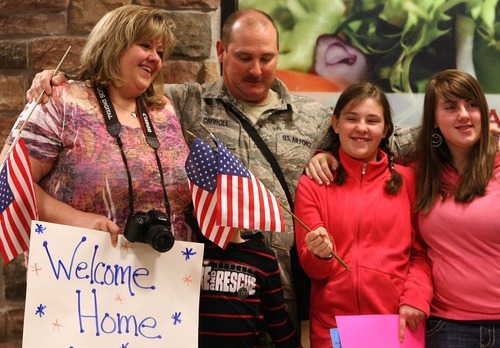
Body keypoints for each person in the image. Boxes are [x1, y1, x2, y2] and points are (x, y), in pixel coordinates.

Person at [25, 8, 420, 345]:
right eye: (244, 57)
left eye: (267, 58)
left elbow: (379, 138)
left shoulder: (315, 116)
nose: (256, 69)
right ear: (221, 51)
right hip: (209, 299)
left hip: (289, 295)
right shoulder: (179, 103)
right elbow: (116, 86)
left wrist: (451, 126)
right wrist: (54, 78)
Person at [0, 5, 192, 247]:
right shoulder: (62, 100)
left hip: (166, 273)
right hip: (80, 271)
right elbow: (6, 178)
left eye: (160, 52)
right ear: (114, 45)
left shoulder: (164, 109)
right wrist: (77, 219)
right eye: (145, 45)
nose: (155, 58)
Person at [293, 81, 433, 348]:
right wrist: (319, 253)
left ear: (386, 129)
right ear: (335, 124)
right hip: (332, 329)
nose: (361, 128)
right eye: (351, 118)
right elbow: (312, 268)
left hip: (396, 325)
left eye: (372, 120)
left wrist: (416, 297)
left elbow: (422, 255)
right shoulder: (315, 183)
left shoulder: (408, 182)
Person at [414, 69, 500, 347]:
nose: (464, 114)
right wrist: (326, 155)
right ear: (434, 121)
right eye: (451, 107)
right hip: (447, 325)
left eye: (472, 104)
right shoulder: (421, 176)